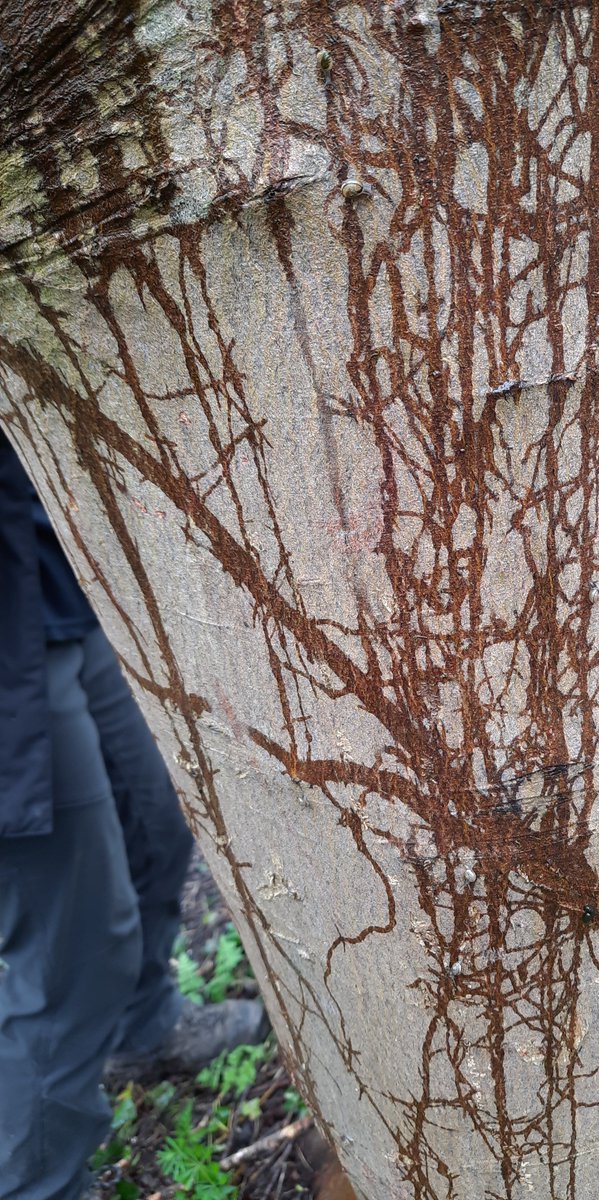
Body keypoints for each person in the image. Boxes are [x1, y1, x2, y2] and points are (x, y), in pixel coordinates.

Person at [0, 429, 267, 1200]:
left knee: (157, 823)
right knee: (72, 945)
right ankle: (37, 1186)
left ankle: (143, 1031)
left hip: (55, 580)